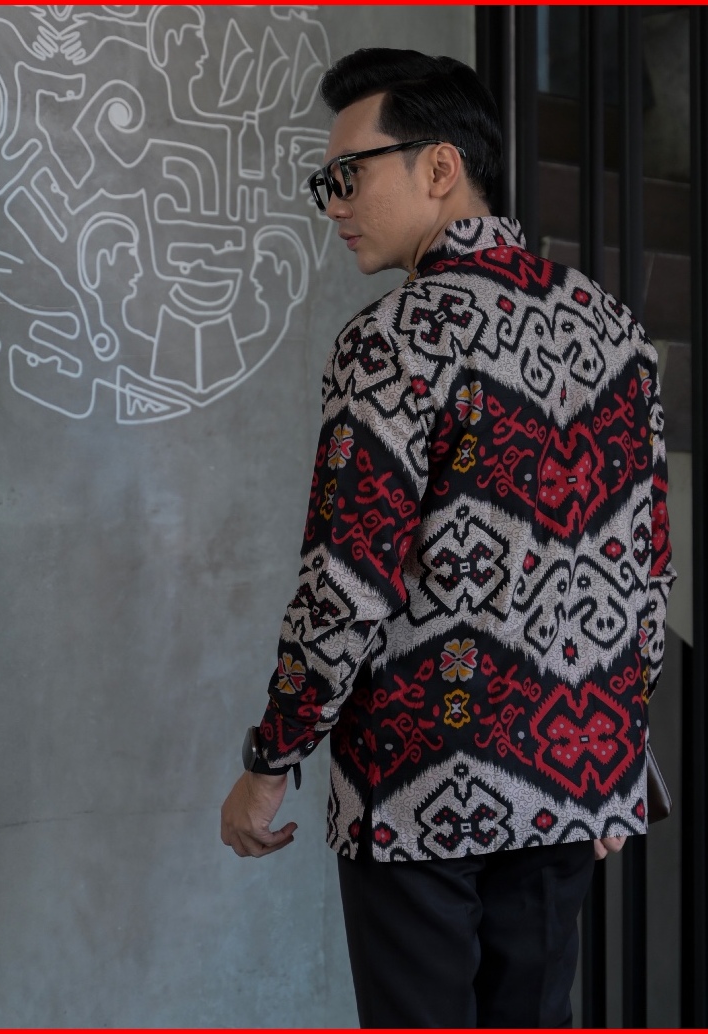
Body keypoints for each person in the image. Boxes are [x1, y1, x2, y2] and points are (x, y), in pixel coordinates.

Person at [220, 47, 676, 1029]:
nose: (334, 204)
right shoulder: (613, 328)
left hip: (419, 781)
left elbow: (347, 579)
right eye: (326, 184)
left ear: (438, 167)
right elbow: (645, 563)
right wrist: (614, 755)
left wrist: (271, 758)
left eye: (349, 175)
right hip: (568, 773)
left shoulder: (394, 336)